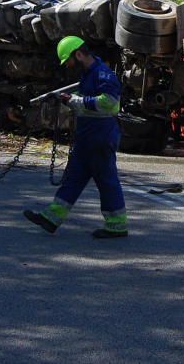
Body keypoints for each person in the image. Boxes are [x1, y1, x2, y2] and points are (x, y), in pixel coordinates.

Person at [23, 36, 128, 239]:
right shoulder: (88, 74)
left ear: (78, 54)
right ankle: (51, 218)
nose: (68, 65)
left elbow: (110, 103)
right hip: (87, 137)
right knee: (74, 178)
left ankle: (117, 225)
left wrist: (77, 101)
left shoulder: (103, 75)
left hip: (100, 136)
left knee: (106, 181)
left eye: (69, 60)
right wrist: (67, 100)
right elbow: (83, 99)